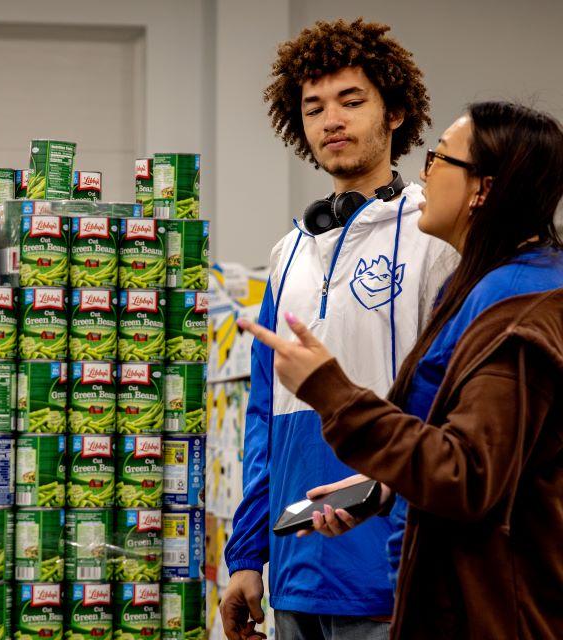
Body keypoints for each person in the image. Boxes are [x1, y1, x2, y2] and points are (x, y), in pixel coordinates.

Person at [240, 101, 563, 639]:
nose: (424, 173)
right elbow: (469, 446)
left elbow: (467, 475)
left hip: (488, 605)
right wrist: (386, 487)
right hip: (389, 579)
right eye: (314, 107)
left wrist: (332, 393)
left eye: (440, 160)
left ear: (482, 189)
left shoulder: (514, 310)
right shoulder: (485, 288)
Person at [219, 18, 456, 640]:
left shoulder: (435, 240)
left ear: (395, 112)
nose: (332, 121)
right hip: (295, 571)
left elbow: (451, 411)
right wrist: (247, 556)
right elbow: (265, 416)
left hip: (392, 574)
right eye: (314, 107)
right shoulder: (288, 253)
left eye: (351, 101)